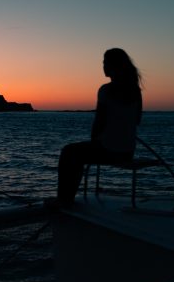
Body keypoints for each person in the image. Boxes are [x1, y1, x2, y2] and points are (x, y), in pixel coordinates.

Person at [57, 48, 142, 204]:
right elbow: (137, 120)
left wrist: (95, 141)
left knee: (69, 152)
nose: (103, 66)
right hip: (128, 151)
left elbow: (99, 122)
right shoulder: (135, 90)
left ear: (114, 66)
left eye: (105, 63)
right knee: (76, 152)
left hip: (109, 151)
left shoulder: (106, 90)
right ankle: (66, 198)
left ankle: (64, 200)